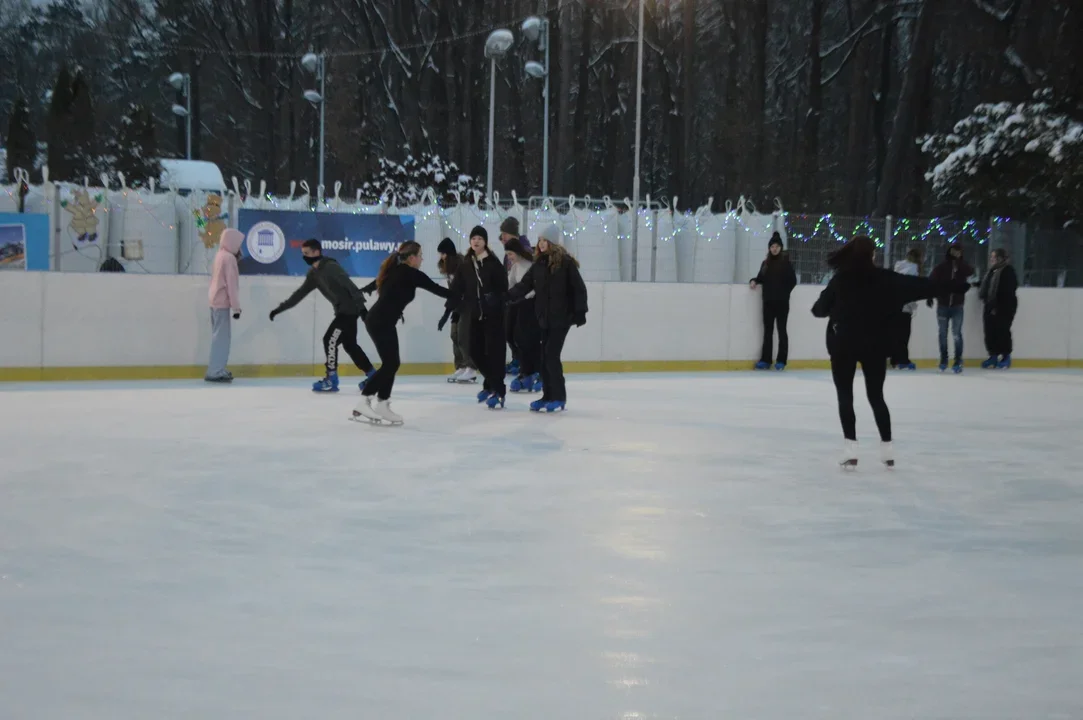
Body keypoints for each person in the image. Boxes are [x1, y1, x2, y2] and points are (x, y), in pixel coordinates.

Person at [811, 236, 968, 468]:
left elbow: (818, 310)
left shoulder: (840, 280)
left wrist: (834, 307)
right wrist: (957, 285)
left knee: (845, 396)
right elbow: (923, 286)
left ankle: (851, 449)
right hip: (875, 346)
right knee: (876, 396)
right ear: (871, 255)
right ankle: (887, 449)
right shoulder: (886, 279)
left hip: (843, 344)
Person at [352, 241, 451, 424]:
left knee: (392, 363)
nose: (422, 259)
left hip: (382, 321)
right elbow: (437, 289)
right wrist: (464, 295)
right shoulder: (409, 273)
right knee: (390, 364)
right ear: (412, 258)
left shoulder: (396, 270)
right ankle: (364, 400)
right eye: (420, 255)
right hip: (380, 322)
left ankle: (382, 404)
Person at [268, 238, 376, 392]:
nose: (304, 257)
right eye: (302, 253)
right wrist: (279, 309)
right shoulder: (314, 274)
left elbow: (350, 286)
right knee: (350, 345)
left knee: (329, 340)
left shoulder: (331, 267)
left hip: (349, 311)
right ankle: (373, 375)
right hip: (343, 312)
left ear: (316, 252)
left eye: (307, 253)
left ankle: (331, 378)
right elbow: (299, 294)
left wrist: (363, 310)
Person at [506, 224, 588, 413]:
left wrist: (580, 312)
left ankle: (558, 396)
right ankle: (547, 396)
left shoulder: (565, 263)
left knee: (551, 355)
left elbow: (579, 288)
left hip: (561, 318)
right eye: (540, 240)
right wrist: (505, 297)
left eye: (544, 240)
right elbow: (523, 286)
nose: (541, 244)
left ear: (552, 242)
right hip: (544, 318)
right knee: (544, 357)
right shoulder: (538, 265)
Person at [441, 226, 509, 409]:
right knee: (474, 351)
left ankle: (497, 389)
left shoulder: (493, 263)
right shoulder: (466, 264)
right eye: (473, 238)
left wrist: (496, 298)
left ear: (485, 241)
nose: (476, 241)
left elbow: (504, 288)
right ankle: (492, 383)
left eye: (480, 238)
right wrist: (447, 312)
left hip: (494, 316)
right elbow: (456, 290)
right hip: (474, 316)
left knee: (494, 354)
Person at [749, 232, 797, 370]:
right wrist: (753, 281)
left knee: (782, 330)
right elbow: (760, 278)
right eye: (772, 246)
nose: (774, 249)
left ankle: (781, 360)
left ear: (781, 248)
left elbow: (793, 281)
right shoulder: (766, 263)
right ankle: (766, 360)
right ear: (769, 248)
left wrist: (784, 293)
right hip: (768, 302)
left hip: (782, 303)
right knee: (768, 331)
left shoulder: (786, 263)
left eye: (777, 246)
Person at [927, 244, 974, 373]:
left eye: (959, 252)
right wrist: (930, 296)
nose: (956, 254)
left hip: (957, 306)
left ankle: (958, 360)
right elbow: (932, 281)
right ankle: (944, 359)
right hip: (943, 305)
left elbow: (971, 272)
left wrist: (959, 262)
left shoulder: (963, 267)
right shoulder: (941, 267)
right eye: (954, 251)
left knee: (956, 334)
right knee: (942, 334)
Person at [505, 237, 543, 393]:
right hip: (518, 304)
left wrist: (526, 296)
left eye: (511, 254)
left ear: (518, 252)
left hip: (531, 305)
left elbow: (536, 285)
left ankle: (534, 371)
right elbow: (511, 284)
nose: (509, 257)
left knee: (528, 339)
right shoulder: (515, 267)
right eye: (507, 254)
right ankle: (525, 369)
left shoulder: (531, 266)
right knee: (513, 336)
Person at [205, 228, 243, 383]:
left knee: (217, 337)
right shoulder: (229, 258)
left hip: (214, 300)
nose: (239, 248)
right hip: (221, 302)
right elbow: (231, 285)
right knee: (222, 339)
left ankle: (217, 368)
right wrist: (236, 307)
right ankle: (215, 371)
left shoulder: (219, 255)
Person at [437, 238, 477, 383]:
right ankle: (460, 365)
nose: (441, 257)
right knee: (454, 334)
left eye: (443, 254)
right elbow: (452, 293)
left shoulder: (461, 266)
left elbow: (461, 290)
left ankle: (471, 367)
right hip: (457, 306)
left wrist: (446, 314)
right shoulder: (448, 269)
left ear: (448, 253)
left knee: (463, 336)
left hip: (467, 305)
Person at [498, 216, 531, 375]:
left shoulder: (524, 250)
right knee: (509, 331)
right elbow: (508, 276)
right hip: (512, 298)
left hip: (524, 300)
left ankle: (524, 362)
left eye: (505, 233)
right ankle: (517, 359)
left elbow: (528, 279)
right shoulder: (508, 252)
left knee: (518, 333)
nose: (502, 237)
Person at [979, 248, 1019, 369]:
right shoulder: (992, 271)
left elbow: (1008, 290)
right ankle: (993, 356)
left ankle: (1006, 356)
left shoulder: (1008, 271)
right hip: (990, 305)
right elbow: (988, 285)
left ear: (1000, 258)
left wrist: (998, 306)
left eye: (994, 257)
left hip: (1004, 306)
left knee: (1002, 331)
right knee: (989, 331)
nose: (991, 260)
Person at [889, 246, 923, 370]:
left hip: (893, 306)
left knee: (895, 334)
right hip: (904, 307)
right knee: (903, 335)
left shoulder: (899, 268)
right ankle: (903, 360)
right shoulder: (913, 270)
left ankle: (894, 359)